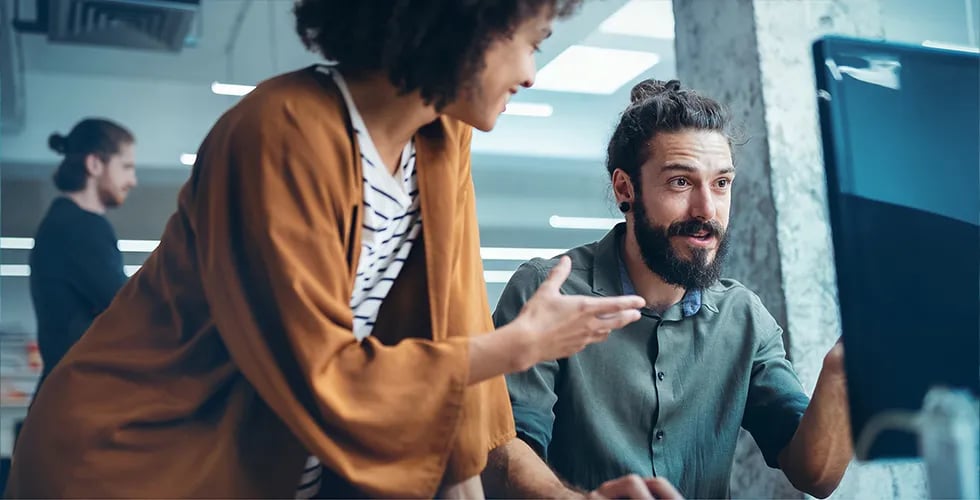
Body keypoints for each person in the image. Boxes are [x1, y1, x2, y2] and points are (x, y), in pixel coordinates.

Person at [4, 1, 648, 498]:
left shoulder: (440, 140)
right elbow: (322, 375)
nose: (532, 75)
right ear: (464, 20)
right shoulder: (277, 130)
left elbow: (458, 370)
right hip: (132, 462)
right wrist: (517, 346)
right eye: (531, 43)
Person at [483, 80, 852, 499]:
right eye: (680, 182)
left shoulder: (744, 317)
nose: (706, 211)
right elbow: (501, 448)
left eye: (721, 184)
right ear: (626, 189)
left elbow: (815, 475)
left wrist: (842, 367)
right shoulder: (548, 291)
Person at [30, 118, 137, 386]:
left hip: (65, 393)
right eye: (126, 167)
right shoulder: (81, 226)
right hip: (77, 398)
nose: (132, 180)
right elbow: (129, 310)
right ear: (94, 164)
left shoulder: (62, 222)